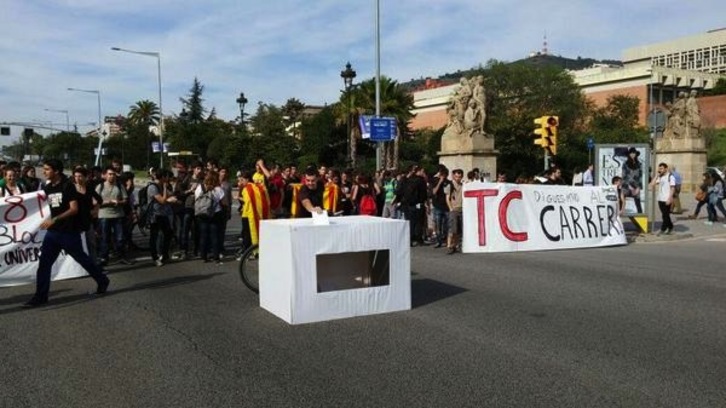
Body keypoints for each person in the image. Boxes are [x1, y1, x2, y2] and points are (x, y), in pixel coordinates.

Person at [23, 159, 110, 307]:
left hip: (68, 233)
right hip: (53, 233)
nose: (44, 172)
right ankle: (40, 297)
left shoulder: (68, 186)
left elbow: (74, 209)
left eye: (47, 169)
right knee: (44, 265)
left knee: (83, 260)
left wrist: (54, 220)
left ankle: (102, 280)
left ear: (56, 171)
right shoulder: (48, 187)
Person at [96, 166, 129, 265]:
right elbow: (95, 202)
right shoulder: (100, 186)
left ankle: (121, 256)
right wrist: (107, 202)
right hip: (104, 215)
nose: (112, 176)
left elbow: (125, 200)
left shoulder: (119, 186)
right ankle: (104, 258)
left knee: (120, 238)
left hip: (118, 215)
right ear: (105, 175)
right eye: (109, 174)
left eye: (113, 174)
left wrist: (118, 202)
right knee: (105, 238)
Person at [195, 171, 225, 264]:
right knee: (214, 236)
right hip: (215, 214)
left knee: (203, 235)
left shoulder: (200, 187)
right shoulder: (218, 189)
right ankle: (216, 257)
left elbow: (196, 198)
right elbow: (223, 202)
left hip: (202, 213)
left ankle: (203, 256)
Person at [148, 169, 177, 266]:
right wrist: (165, 189)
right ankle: (155, 257)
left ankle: (165, 255)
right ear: (163, 177)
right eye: (167, 177)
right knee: (154, 237)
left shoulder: (161, 186)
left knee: (168, 233)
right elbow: (162, 201)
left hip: (163, 214)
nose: (168, 179)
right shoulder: (153, 187)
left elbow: (171, 195)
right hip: (155, 215)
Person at [649, 162, 675, 235]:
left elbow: (673, 188)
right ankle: (670, 227)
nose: (660, 170)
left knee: (665, 215)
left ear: (666, 168)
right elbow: (652, 184)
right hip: (660, 198)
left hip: (667, 198)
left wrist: (670, 198)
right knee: (665, 214)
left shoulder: (670, 176)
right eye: (659, 168)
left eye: (662, 168)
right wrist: (656, 175)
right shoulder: (660, 177)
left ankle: (663, 229)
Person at [431, 166, 451, 248]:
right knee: (438, 225)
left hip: (446, 206)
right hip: (438, 206)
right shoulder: (435, 181)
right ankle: (438, 241)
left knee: (446, 225)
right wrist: (440, 182)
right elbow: (434, 192)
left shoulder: (449, 183)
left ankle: (446, 240)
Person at [445, 169, 464, 254]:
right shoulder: (450, 185)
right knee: (452, 229)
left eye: (459, 177)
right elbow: (447, 198)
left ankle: (455, 245)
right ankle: (449, 245)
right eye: (456, 176)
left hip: (461, 209)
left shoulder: (463, 185)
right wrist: (450, 208)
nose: (458, 178)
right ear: (453, 176)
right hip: (454, 209)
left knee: (458, 230)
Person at [622, 147, 644, 213]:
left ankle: (641, 218)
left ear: (636, 154)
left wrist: (638, 188)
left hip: (636, 186)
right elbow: (624, 176)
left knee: (638, 204)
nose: (632, 154)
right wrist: (629, 186)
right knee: (622, 203)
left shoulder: (639, 164)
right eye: (631, 153)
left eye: (634, 153)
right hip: (627, 186)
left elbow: (640, 176)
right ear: (628, 154)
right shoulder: (625, 164)